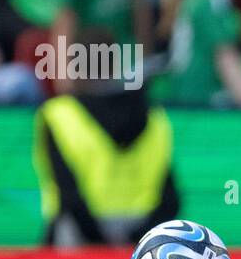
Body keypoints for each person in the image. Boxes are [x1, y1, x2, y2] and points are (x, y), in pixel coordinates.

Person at [32, 28, 180, 247]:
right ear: (114, 64)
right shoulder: (154, 115)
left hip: (77, 239)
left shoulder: (58, 115)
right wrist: (132, 242)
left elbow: (69, 195)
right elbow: (170, 198)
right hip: (144, 239)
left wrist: (102, 243)